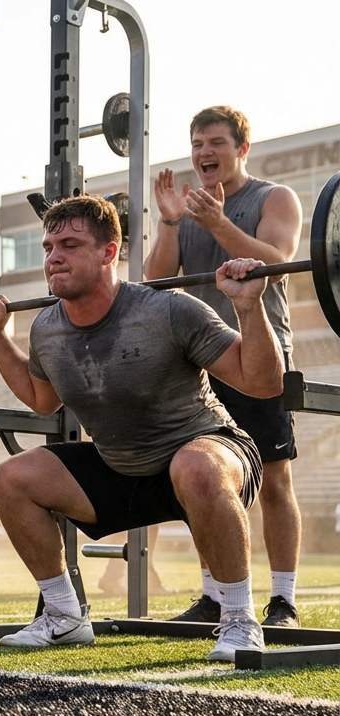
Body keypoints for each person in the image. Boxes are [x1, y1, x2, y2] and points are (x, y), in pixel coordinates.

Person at [0, 195, 280, 662]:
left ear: (108, 252)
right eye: (48, 246)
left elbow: (263, 383)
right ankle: (63, 616)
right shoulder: (46, 329)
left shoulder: (168, 311)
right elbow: (42, 401)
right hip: (122, 469)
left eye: (70, 244)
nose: (54, 256)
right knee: (12, 478)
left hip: (209, 453)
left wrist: (247, 306)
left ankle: (239, 620)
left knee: (195, 466)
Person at [145, 106, 305, 628]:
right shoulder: (187, 208)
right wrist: (172, 222)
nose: (204, 153)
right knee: (202, 482)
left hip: (259, 357)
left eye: (215, 142)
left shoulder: (273, 197)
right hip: (198, 363)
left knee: (275, 481)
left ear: (242, 149)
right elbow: (154, 282)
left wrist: (218, 222)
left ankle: (283, 601)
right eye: (197, 144)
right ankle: (214, 594)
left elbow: (275, 260)